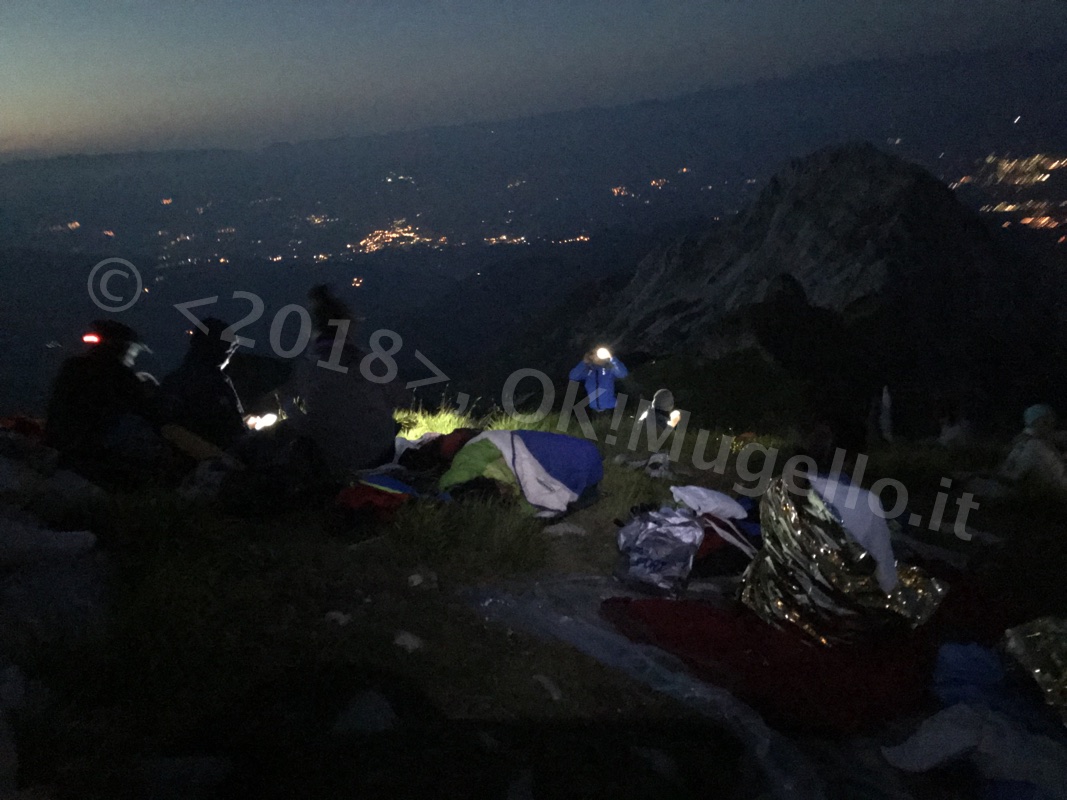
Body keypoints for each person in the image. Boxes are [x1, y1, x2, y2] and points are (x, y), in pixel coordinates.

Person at [275, 285, 398, 478]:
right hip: (381, 454)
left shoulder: (309, 368)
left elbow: (306, 425)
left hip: (335, 459)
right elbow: (399, 400)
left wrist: (287, 403)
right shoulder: (370, 362)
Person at [44, 319, 165, 480]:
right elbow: (149, 411)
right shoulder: (121, 377)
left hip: (59, 449)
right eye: (131, 349)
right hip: (95, 456)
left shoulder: (73, 367)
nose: (133, 356)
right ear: (120, 347)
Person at [160, 318, 247, 450]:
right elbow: (226, 427)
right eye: (228, 351)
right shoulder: (211, 382)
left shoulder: (175, 379)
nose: (229, 357)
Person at [998, 404, 1067, 492]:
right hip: (1011, 498)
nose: (1054, 426)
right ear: (1042, 422)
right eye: (1051, 422)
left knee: (975, 504)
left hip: (1001, 491)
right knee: (975, 504)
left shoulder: (1022, 442)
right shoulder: (1037, 446)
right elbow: (1063, 480)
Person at [568, 346, 628, 412]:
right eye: (595, 353)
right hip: (593, 410)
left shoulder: (609, 368)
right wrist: (584, 362)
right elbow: (573, 376)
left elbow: (623, 374)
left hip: (611, 409)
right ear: (591, 356)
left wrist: (611, 358)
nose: (598, 356)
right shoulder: (588, 370)